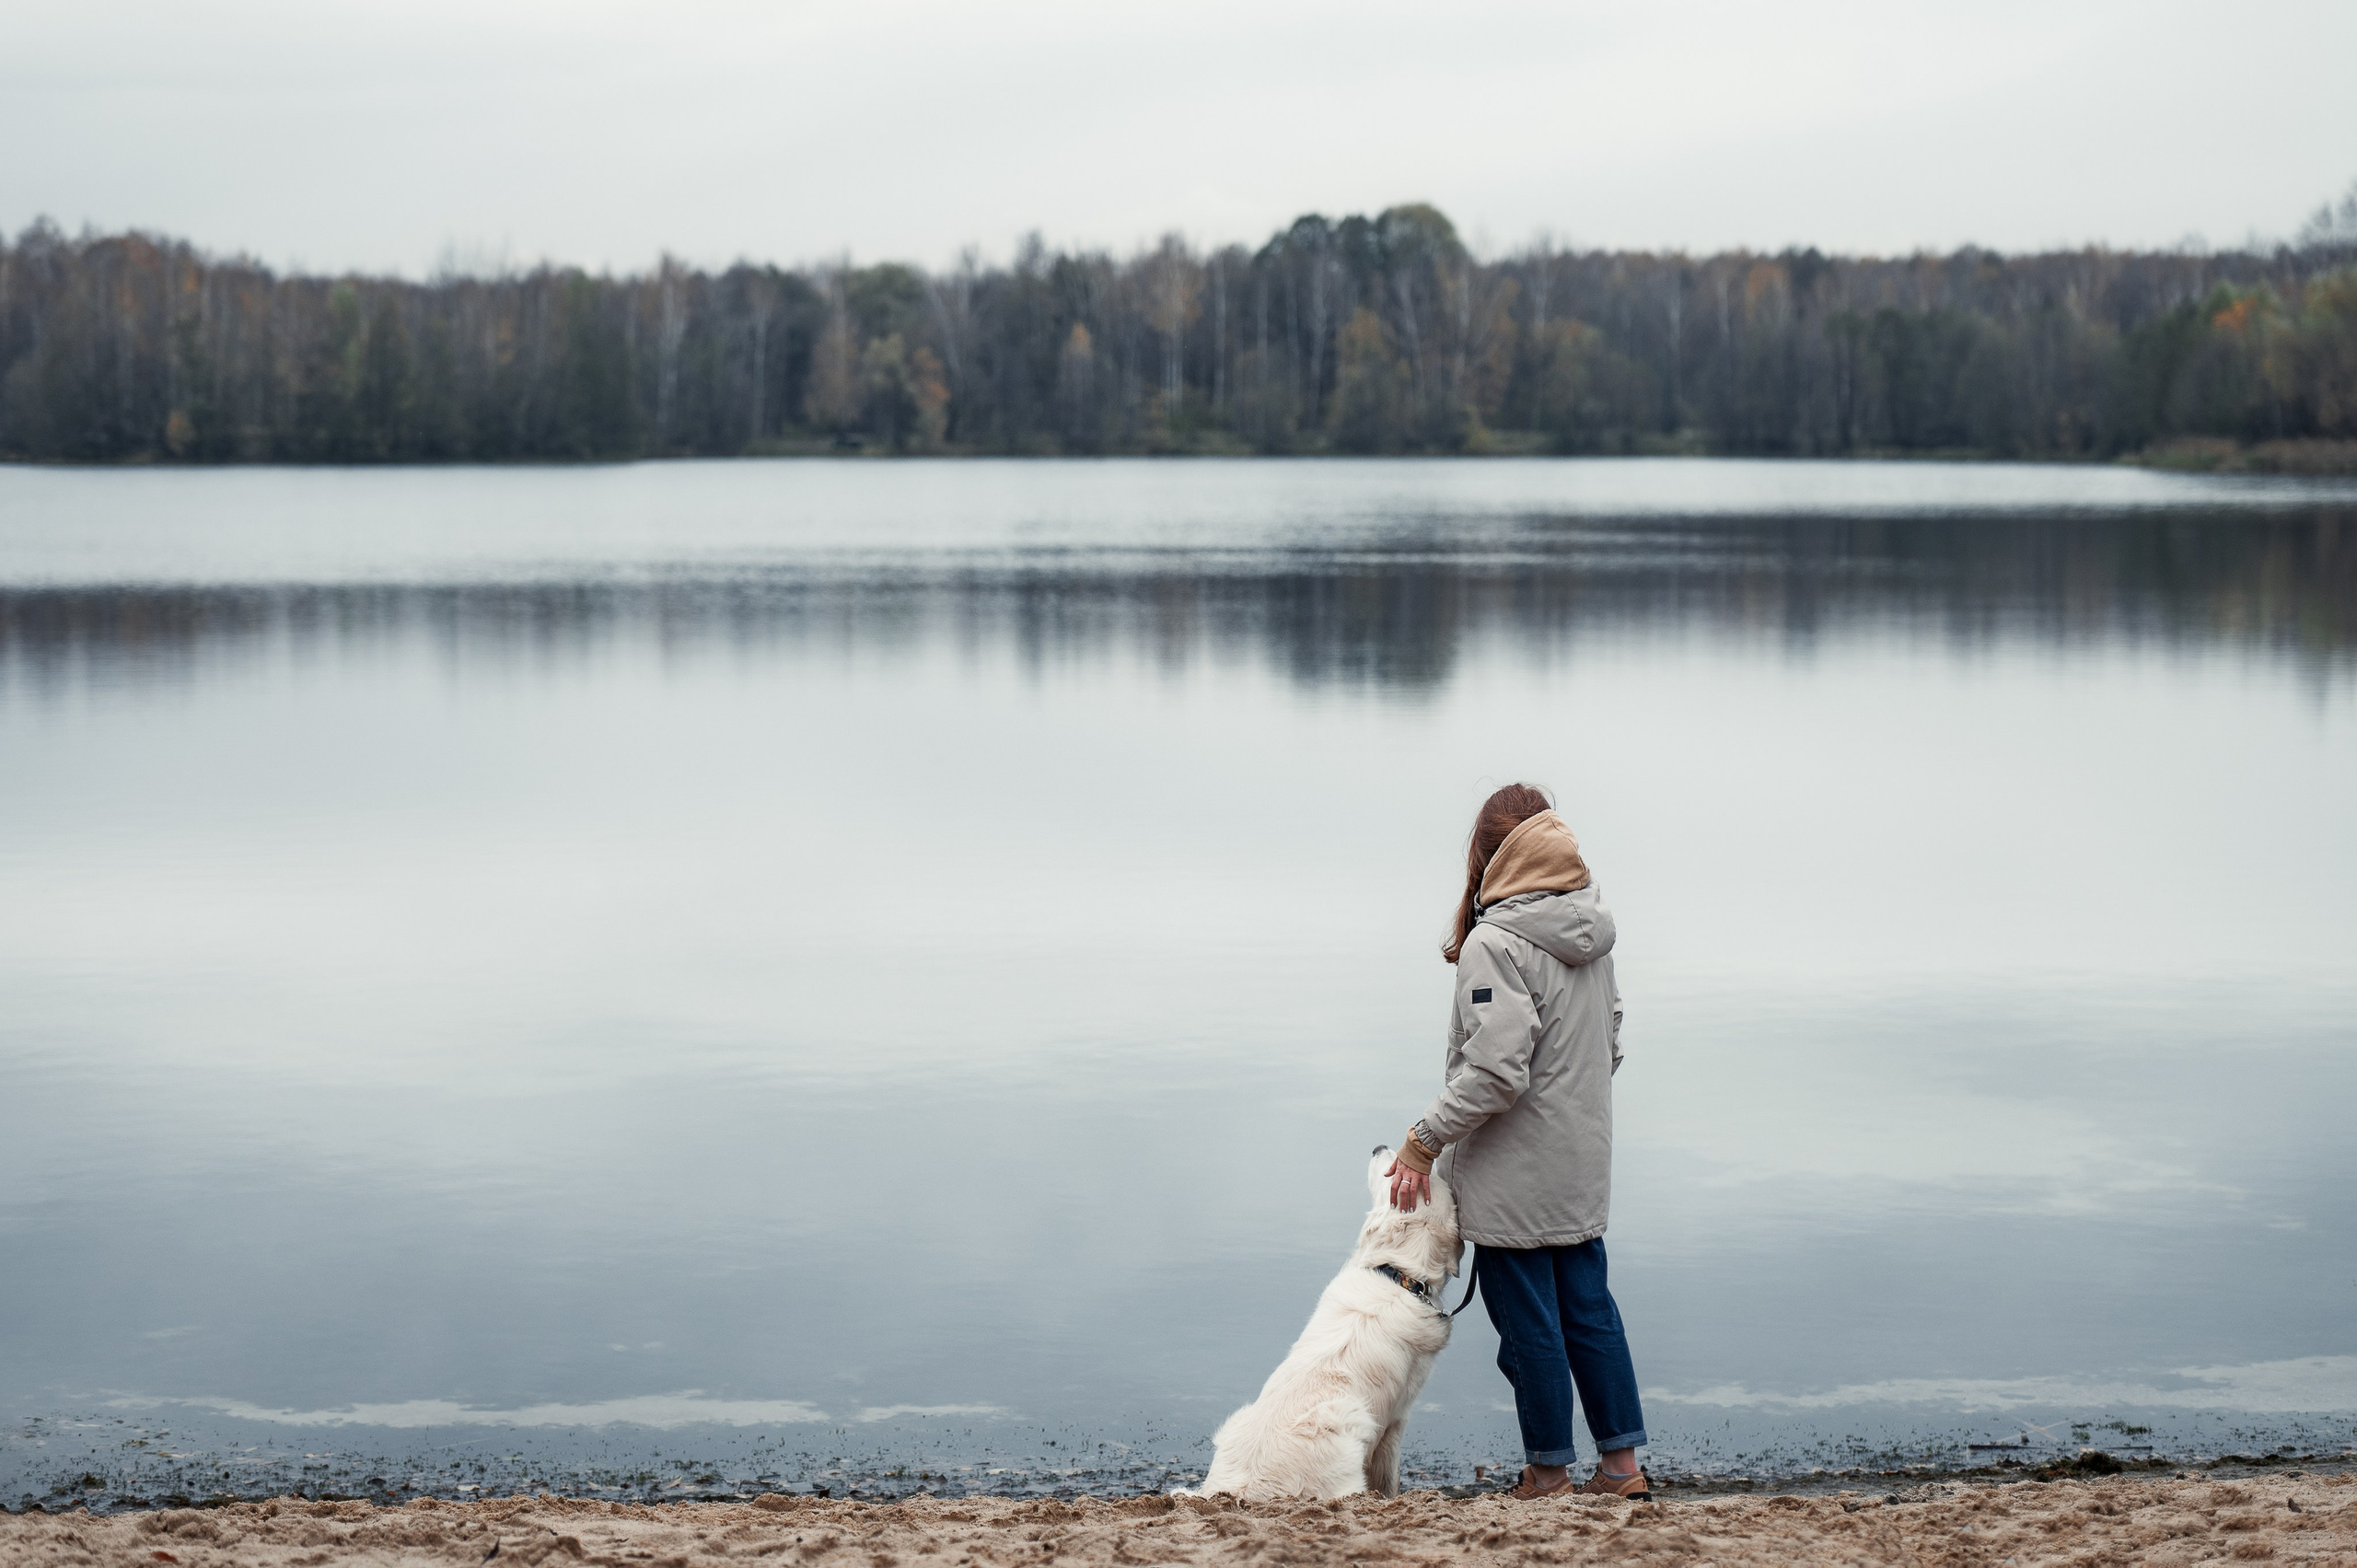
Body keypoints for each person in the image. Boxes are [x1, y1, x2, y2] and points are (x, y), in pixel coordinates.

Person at [1385, 783, 1650, 1502]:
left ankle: (1548, 1472)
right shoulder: (1591, 929)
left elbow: (1497, 1072)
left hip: (1512, 1176)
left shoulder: (1495, 942)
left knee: (1530, 1329)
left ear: (1489, 855)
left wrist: (1421, 1141)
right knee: (1590, 1311)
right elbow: (1610, 1043)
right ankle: (1622, 1470)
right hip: (1582, 1161)